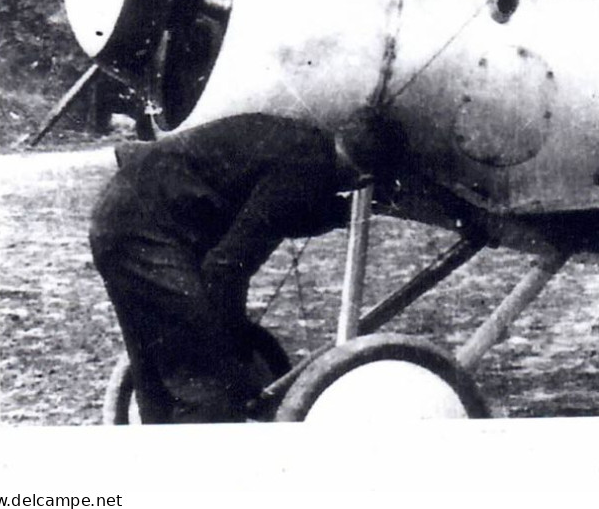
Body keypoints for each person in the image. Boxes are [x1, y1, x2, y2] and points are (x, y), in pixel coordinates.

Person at [89, 114, 394, 422]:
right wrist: (233, 348)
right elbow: (225, 268)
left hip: (120, 213)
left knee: (155, 374)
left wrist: (339, 213)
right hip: (148, 229)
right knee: (210, 382)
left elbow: (278, 213)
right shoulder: (304, 170)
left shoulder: (305, 144)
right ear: (362, 180)